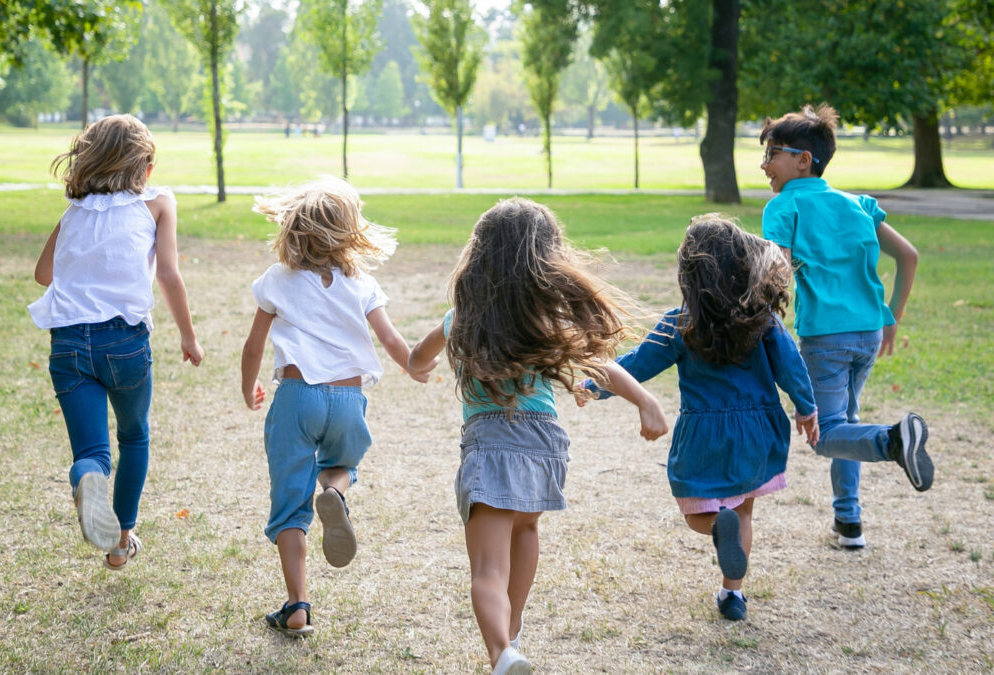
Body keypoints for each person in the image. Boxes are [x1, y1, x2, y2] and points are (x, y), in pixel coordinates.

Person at [408, 198, 668, 674]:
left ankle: (501, 652)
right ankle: (516, 624)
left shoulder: (460, 319)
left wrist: (418, 365)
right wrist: (646, 402)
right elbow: (603, 366)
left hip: (490, 444)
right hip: (545, 445)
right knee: (526, 528)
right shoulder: (546, 319)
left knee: (487, 569)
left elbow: (416, 358)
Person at [580, 215, 819, 621]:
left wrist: (595, 385)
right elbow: (791, 366)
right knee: (742, 508)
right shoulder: (762, 317)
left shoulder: (680, 321)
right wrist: (807, 408)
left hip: (705, 433)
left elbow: (639, 363)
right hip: (758, 430)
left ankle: (715, 529)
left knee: (698, 511)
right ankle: (734, 594)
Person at [240, 177, 435, 639]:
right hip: (348, 399)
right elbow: (389, 339)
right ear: (350, 234)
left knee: (290, 504)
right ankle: (337, 492)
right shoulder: (360, 282)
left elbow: (253, 346)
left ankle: (297, 606)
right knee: (341, 465)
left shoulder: (276, 280)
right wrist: (411, 365)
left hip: (296, 397)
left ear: (292, 231)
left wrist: (248, 387)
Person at [29, 114, 204, 570]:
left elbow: (43, 274)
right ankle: (121, 540)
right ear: (144, 167)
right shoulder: (158, 202)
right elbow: (168, 273)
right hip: (124, 343)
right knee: (134, 436)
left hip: (67, 346)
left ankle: (88, 478)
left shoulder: (74, 211)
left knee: (91, 453)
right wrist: (188, 336)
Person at [759, 103, 931, 550]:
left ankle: (893, 441)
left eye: (772, 153)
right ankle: (848, 523)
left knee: (827, 435)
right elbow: (908, 256)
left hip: (825, 337)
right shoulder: (859, 204)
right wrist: (892, 315)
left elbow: (775, 278)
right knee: (844, 423)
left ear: (803, 160)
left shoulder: (783, 207)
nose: (764, 165)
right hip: (869, 332)